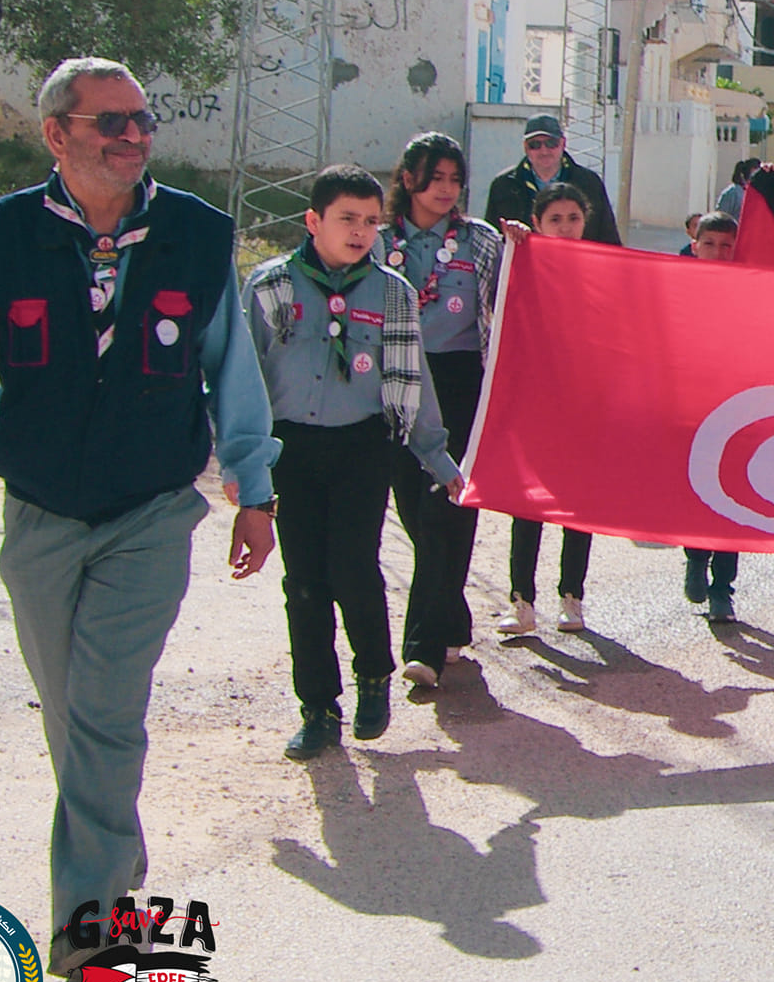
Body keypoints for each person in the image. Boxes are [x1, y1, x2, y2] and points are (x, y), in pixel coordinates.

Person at [0, 56, 279, 968]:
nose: (133, 136)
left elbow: (235, 372)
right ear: (57, 134)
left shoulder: (195, 235)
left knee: (105, 713)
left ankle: (94, 933)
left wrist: (252, 487)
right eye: (110, 121)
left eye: (141, 120)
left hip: (149, 511)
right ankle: (105, 887)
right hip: (39, 513)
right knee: (71, 714)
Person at [244, 165, 465, 759]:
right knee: (305, 584)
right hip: (291, 449)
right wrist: (242, 465)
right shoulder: (270, 287)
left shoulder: (391, 292)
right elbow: (245, 379)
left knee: (352, 568)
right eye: (347, 218)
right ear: (313, 220)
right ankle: (317, 707)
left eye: (371, 221)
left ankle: (374, 677)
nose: (361, 231)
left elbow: (413, 379)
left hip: (362, 447)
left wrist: (438, 459)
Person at [376, 133, 502, 689]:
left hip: (460, 382)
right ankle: (450, 611)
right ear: (408, 180)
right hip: (397, 380)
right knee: (413, 504)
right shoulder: (377, 242)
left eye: (455, 180)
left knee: (451, 506)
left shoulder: (482, 241)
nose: (447, 190)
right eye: (436, 178)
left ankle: (422, 643)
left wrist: (528, 243)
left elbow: (525, 290)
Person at [498, 182, 605, 635]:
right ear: (538, 223)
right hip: (534, 402)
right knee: (528, 505)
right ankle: (522, 602)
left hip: (585, 403)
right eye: (554, 219)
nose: (565, 227)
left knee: (578, 503)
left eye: (573, 218)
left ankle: (572, 598)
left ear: (586, 221)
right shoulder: (521, 262)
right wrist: (515, 245)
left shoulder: (603, 270)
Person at [683, 213, 744, 623]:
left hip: (738, 407)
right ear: (695, 246)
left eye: (727, 245)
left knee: (733, 496)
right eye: (710, 244)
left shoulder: (752, 291)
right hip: (690, 406)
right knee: (694, 492)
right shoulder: (678, 287)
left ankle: (723, 588)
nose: (718, 253)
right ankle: (693, 555)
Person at [482, 113, 621, 245]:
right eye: (535, 145)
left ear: (563, 143)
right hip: (525, 267)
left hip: (577, 266)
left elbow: (608, 239)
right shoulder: (503, 185)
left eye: (551, 143)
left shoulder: (588, 182)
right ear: (525, 147)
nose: (544, 151)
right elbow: (490, 241)